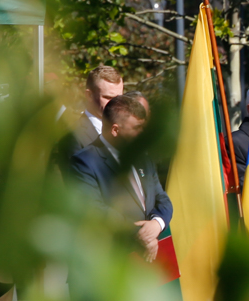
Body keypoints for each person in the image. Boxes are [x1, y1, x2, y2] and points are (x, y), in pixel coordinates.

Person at [70, 93, 173, 261]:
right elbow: (94, 211)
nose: (142, 134)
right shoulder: (83, 162)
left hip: (151, 264)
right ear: (115, 130)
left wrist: (157, 223)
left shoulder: (143, 158)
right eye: (136, 128)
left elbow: (161, 198)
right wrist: (142, 236)